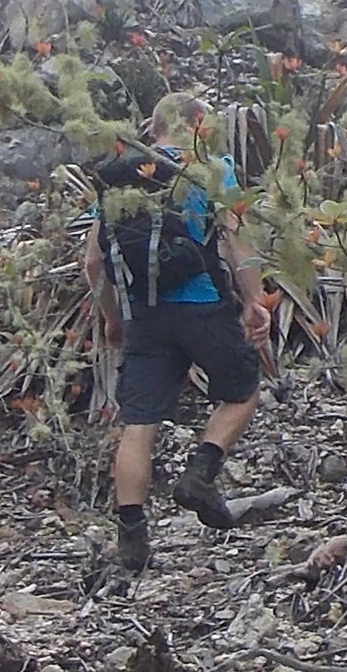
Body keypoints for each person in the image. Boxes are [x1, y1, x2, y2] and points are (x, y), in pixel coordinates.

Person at [83, 104, 267, 574]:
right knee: (242, 391)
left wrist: (113, 319)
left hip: (144, 314)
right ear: (199, 124)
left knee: (139, 424)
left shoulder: (119, 176)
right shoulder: (210, 168)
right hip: (203, 306)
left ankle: (132, 538)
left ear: (154, 127)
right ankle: (200, 474)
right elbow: (236, 239)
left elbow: (94, 261)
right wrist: (254, 300)